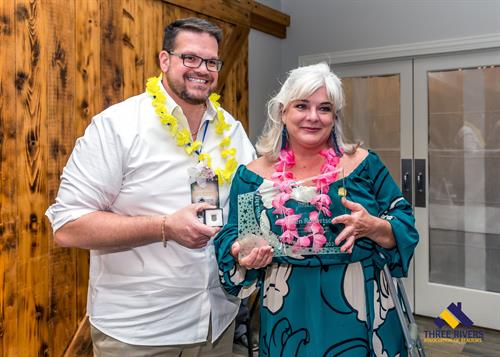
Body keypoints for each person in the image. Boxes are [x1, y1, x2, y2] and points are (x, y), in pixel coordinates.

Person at [46, 17, 255, 356]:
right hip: (140, 332)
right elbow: (68, 226)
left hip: (218, 325)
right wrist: (165, 227)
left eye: (212, 62)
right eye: (190, 58)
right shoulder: (118, 126)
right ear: (164, 60)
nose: (202, 69)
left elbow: (250, 205)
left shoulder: (230, 130)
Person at [214, 62, 419, 356]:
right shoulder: (251, 178)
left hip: (363, 306)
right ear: (282, 112)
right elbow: (235, 237)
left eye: (324, 108)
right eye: (302, 106)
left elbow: (404, 221)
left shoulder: (363, 165)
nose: (313, 117)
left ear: (334, 116)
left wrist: (375, 227)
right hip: (288, 310)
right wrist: (242, 253)